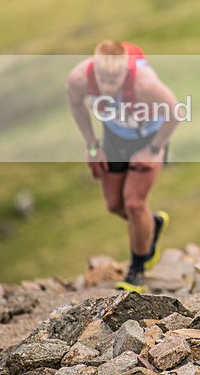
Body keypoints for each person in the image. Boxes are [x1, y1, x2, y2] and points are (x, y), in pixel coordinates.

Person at [66, 40, 181, 292]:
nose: (107, 87)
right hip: (115, 136)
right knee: (114, 205)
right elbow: (76, 104)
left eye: (114, 80)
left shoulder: (143, 83)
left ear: (125, 71)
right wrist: (92, 146)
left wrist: (154, 149)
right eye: (102, 80)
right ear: (94, 70)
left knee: (134, 203)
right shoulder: (79, 79)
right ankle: (151, 224)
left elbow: (175, 112)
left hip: (149, 137)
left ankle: (137, 270)